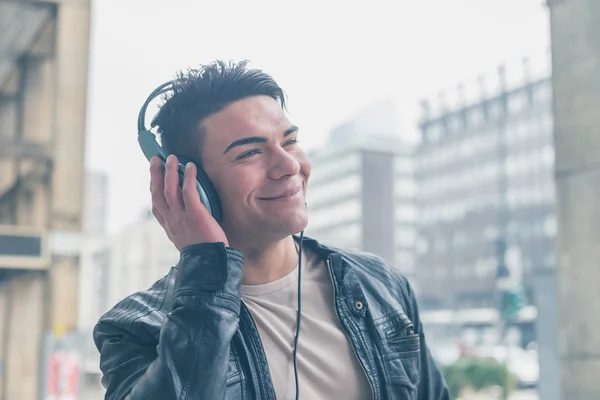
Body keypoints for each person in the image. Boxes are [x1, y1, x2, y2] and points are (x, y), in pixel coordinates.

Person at [93, 60, 451, 400]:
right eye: (250, 152)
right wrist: (205, 267)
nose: (289, 164)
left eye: (290, 141)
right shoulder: (136, 327)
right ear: (192, 183)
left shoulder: (381, 284)